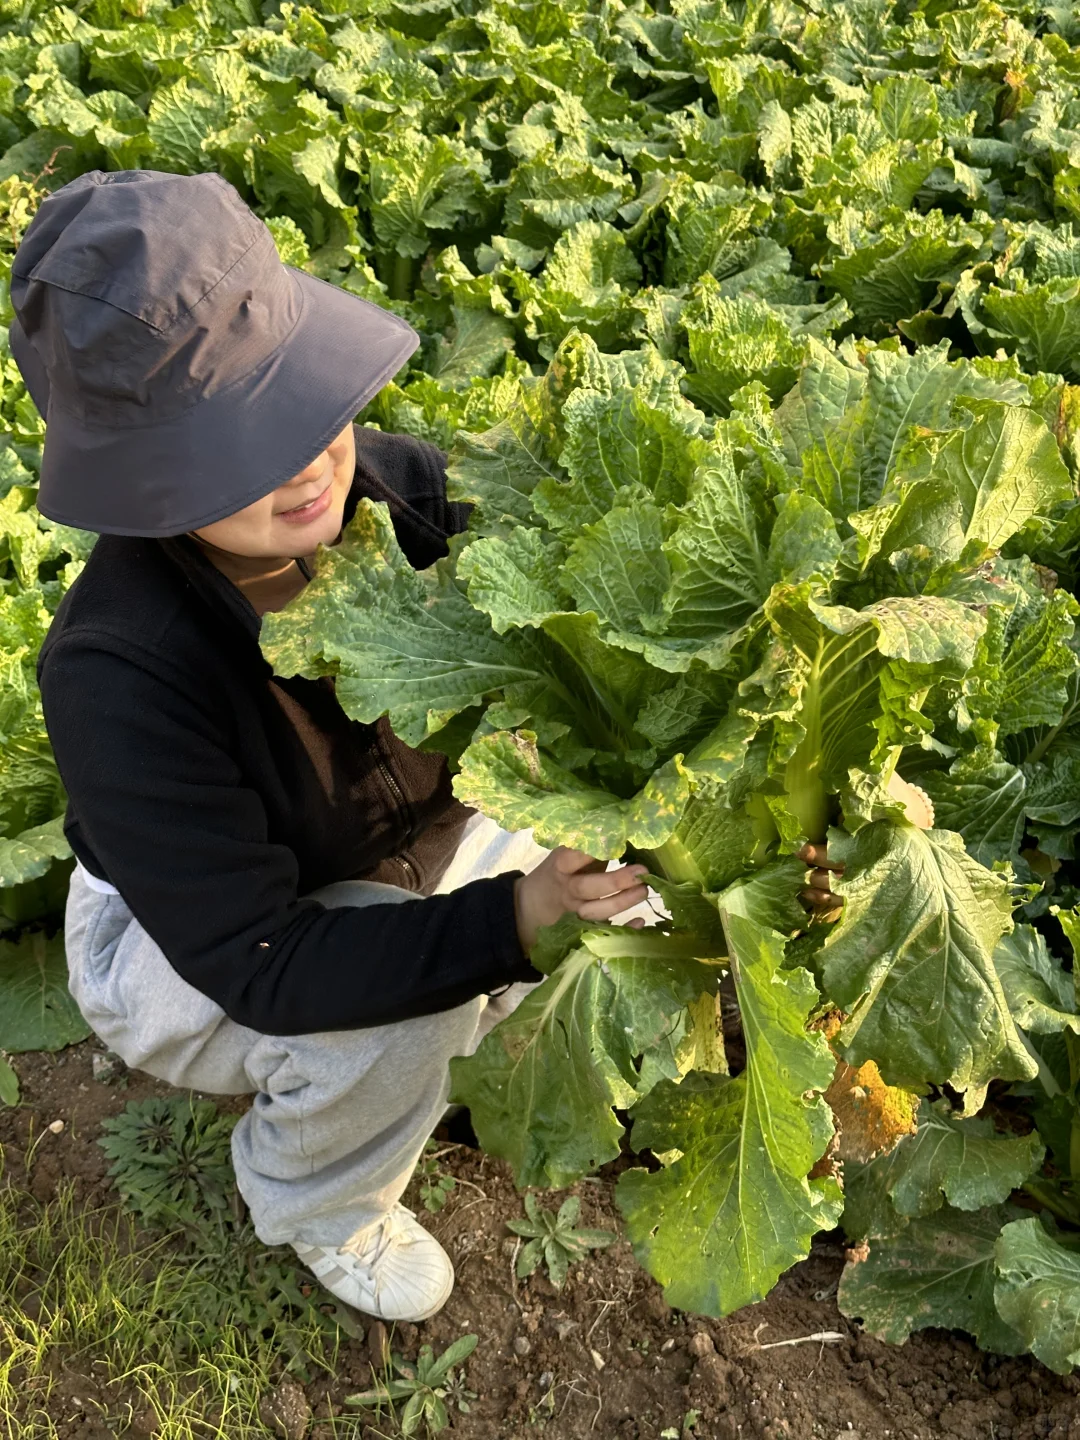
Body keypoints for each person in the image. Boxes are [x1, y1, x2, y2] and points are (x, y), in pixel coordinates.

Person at [12, 170, 842, 1325]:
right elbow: (262, 961)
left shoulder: (399, 491)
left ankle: (458, 1010)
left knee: (620, 881)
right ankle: (316, 1198)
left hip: (425, 832)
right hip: (196, 948)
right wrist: (515, 921)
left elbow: (573, 620)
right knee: (402, 1015)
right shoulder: (120, 673)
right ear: (144, 483)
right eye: (239, 450)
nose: (305, 463)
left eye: (304, 407)